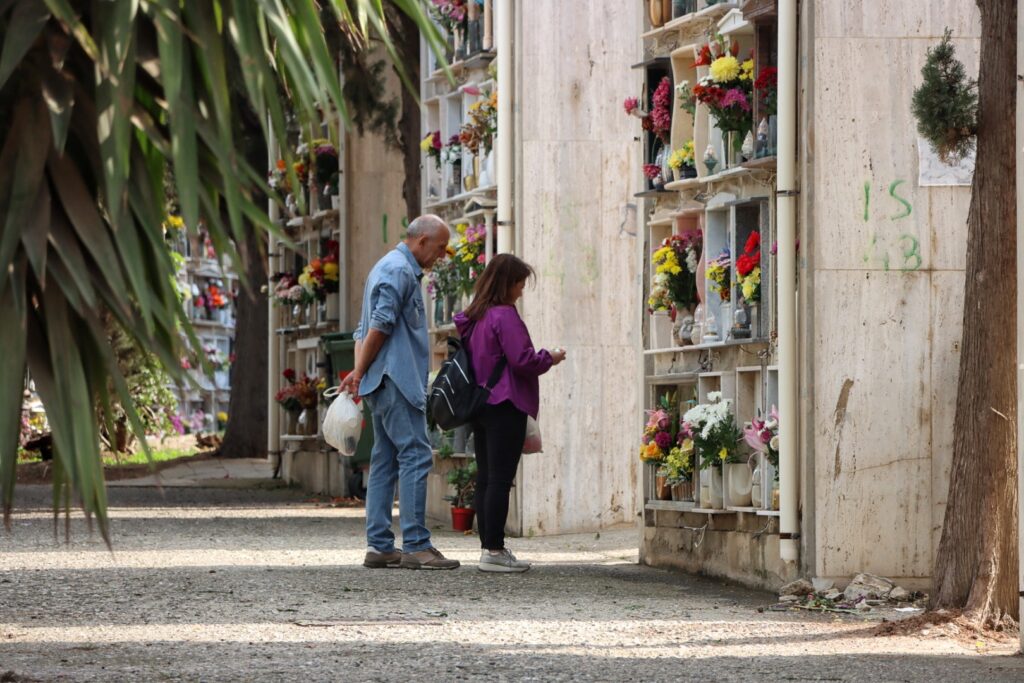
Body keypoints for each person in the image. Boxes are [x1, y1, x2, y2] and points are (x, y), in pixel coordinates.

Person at [341, 215, 459, 570]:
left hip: (380, 378)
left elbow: (364, 327)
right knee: (416, 455)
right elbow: (380, 323)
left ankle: (379, 545)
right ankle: (416, 545)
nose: (440, 256)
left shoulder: (385, 266)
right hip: (395, 377)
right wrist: (358, 372)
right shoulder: (400, 271)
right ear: (421, 241)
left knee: (385, 460)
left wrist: (361, 373)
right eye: (439, 248)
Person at [454, 254, 566, 573]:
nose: (521, 290)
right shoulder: (504, 315)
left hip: (480, 404)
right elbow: (523, 360)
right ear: (507, 283)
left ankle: (488, 547)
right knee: (501, 479)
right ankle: (494, 549)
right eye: (519, 283)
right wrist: (551, 357)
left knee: (487, 476)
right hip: (507, 403)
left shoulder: (474, 318)